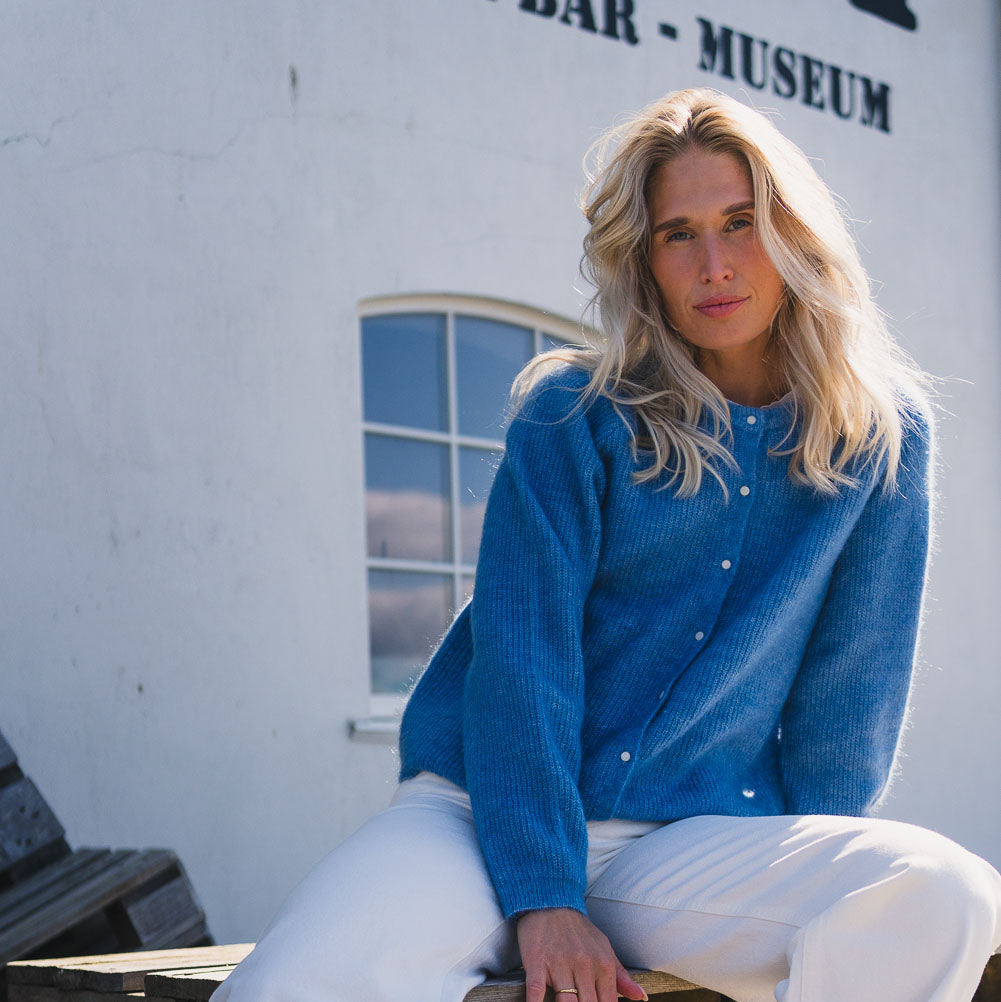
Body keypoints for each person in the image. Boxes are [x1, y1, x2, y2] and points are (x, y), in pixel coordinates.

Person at [211, 89, 1001, 1002]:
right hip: (478, 813)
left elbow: (848, 696)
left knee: (942, 894)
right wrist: (545, 896)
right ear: (644, 260)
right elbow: (522, 664)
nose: (713, 265)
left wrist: (801, 873)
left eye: (740, 223)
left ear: (794, 232)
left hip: (685, 842)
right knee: (302, 982)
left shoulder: (879, 437)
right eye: (678, 234)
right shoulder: (574, 417)